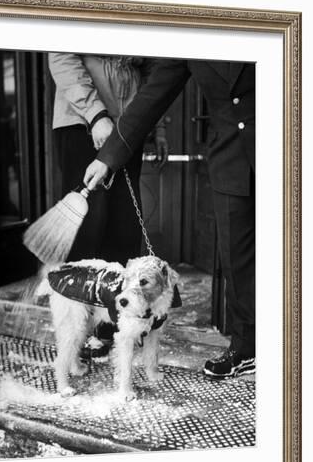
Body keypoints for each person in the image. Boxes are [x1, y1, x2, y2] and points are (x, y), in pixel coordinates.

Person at [83, 58, 256, 379]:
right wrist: (107, 158)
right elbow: (151, 98)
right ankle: (248, 347)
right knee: (238, 257)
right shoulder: (189, 35)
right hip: (232, 160)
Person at [48, 53, 168, 265]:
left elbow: (153, 72)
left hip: (129, 126)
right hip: (82, 122)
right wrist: (96, 115)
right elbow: (61, 57)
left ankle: (117, 294)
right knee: (88, 224)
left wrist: (157, 127)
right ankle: (79, 295)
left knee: (125, 225)